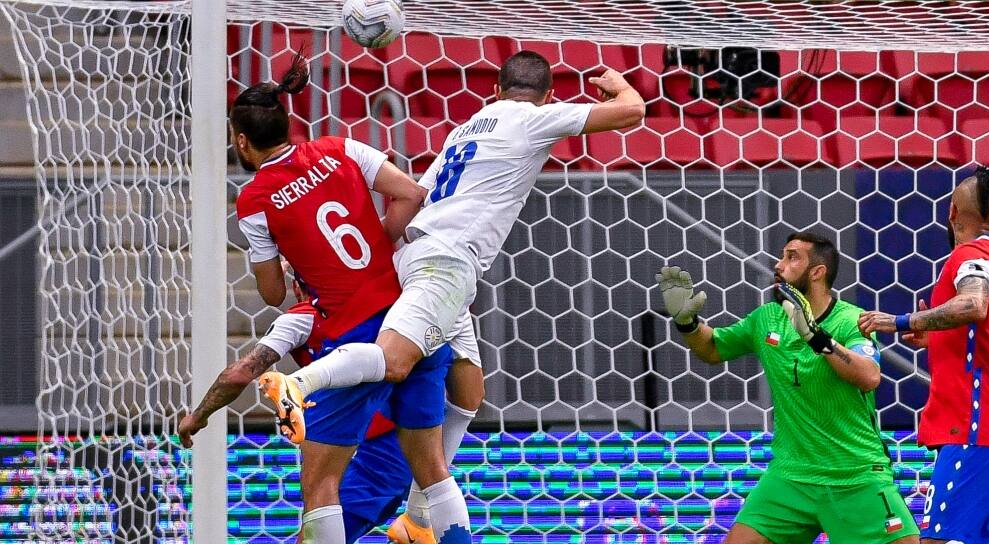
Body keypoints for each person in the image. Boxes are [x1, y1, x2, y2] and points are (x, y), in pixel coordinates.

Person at [255, 50, 647, 541]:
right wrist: (617, 84)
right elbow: (632, 112)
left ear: (494, 90)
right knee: (395, 361)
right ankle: (299, 385)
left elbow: (414, 199)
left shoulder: (465, 129)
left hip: (420, 252)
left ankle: (418, 518)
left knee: (468, 392)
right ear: (548, 97)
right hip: (447, 264)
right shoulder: (532, 119)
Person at [225, 52, 469, 544]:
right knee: (433, 470)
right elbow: (412, 194)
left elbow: (273, 293)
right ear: (288, 124)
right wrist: (378, 240)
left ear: (242, 141)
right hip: (411, 312)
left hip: (354, 332)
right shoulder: (340, 147)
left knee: (321, 485)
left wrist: (292, 264)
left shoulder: (254, 200)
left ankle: (299, 384)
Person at [657, 232, 920, 544]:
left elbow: (869, 376)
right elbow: (713, 348)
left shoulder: (851, 320)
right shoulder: (766, 318)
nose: (778, 265)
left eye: (792, 257)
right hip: (789, 477)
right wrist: (687, 323)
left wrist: (815, 336)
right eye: (782, 255)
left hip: (854, 474)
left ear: (817, 272)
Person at [178, 293, 475, 543]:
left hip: (374, 438)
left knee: (322, 503)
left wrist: (199, 416)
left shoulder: (303, 317)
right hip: (386, 434)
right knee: (432, 472)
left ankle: (298, 384)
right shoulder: (396, 299)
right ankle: (418, 518)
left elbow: (242, 371)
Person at [858, 166, 989, 544]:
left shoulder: (972, 254)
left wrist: (899, 321)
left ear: (951, 212)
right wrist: (937, 338)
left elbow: (973, 304)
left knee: (937, 539)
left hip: (974, 423)